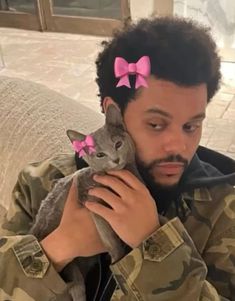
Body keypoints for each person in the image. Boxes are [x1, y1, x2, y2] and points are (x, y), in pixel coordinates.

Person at [0, 16, 235, 301]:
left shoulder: (223, 210)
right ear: (114, 114)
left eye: (191, 126)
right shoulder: (40, 184)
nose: (179, 145)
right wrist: (60, 246)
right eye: (156, 125)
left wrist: (153, 243)